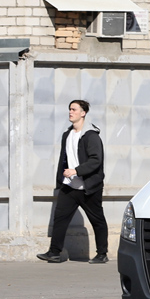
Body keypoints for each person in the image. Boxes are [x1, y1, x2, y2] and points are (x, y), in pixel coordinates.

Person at [39, 99, 108, 264]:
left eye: (74, 109)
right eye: (70, 109)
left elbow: (95, 160)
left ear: (83, 113)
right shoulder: (67, 134)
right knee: (60, 217)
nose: (71, 112)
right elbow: (64, 158)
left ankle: (102, 254)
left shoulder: (91, 136)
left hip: (88, 187)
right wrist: (61, 179)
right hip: (69, 186)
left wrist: (76, 171)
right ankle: (54, 252)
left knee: (97, 219)